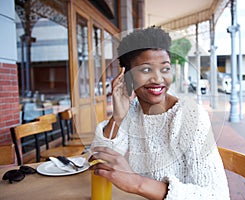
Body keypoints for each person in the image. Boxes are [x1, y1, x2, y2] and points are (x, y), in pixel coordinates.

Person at [89, 26, 230, 200]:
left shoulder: (188, 115)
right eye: (146, 70)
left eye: (165, 68)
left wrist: (137, 183)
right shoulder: (132, 111)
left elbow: (218, 196)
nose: (158, 79)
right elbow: (101, 161)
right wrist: (118, 116)